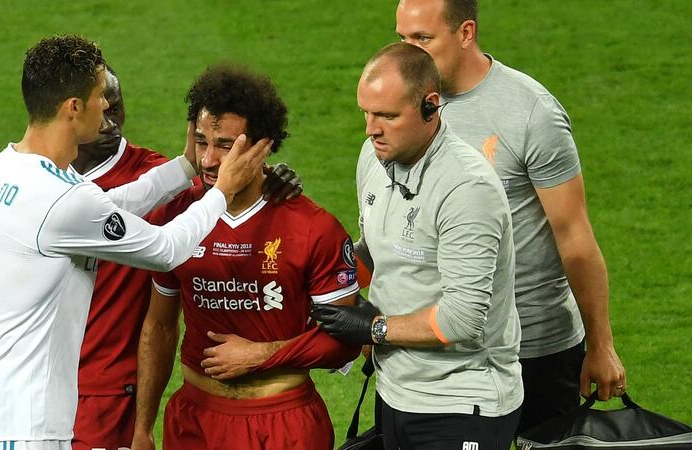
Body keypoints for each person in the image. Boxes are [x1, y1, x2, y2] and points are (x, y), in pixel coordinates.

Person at [0, 64, 303, 450]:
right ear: (74, 107)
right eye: (100, 99)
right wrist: (223, 191)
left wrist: (198, 167)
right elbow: (165, 248)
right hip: (23, 420)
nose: (109, 109)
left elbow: (111, 205)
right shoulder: (63, 197)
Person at [394, 0, 626, 432]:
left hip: (534, 349)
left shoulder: (529, 112)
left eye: (423, 39)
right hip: (437, 345)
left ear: (465, 33)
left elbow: (574, 237)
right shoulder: (401, 108)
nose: (409, 54)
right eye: (402, 37)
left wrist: (601, 343)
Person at [131, 64, 362, 450]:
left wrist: (259, 356)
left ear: (262, 146)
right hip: (196, 421)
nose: (207, 160)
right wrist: (142, 428)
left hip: (282, 423)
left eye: (224, 145)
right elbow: (159, 327)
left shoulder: (312, 228)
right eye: (202, 142)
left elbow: (344, 342)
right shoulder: (179, 218)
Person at [312, 42, 522, 450]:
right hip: (395, 390)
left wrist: (374, 329)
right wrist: (317, 279)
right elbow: (375, 252)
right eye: (367, 113)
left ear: (431, 106)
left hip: (460, 403)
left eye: (387, 116)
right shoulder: (373, 158)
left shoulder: (466, 189)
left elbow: (462, 320)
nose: (371, 128)